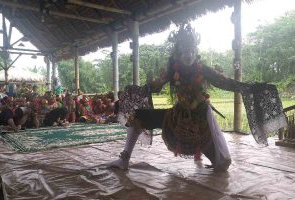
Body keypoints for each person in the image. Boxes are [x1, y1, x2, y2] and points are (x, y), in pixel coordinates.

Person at [107, 24, 286, 172]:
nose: (189, 54)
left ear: (196, 51)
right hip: (176, 118)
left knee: (222, 165)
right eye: (185, 50)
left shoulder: (203, 69)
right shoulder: (173, 69)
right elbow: (155, 86)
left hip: (201, 123)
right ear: (178, 53)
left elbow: (227, 83)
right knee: (138, 116)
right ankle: (124, 159)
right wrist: (136, 90)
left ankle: (205, 156)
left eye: (192, 50)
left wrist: (252, 87)